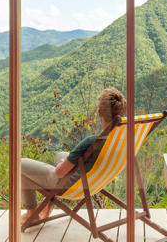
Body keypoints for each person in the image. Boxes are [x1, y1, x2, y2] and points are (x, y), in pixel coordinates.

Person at [20, 87, 126, 228]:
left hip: (72, 186)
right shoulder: (122, 140)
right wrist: (65, 162)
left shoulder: (91, 142)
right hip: (94, 182)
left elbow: (59, 173)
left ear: (99, 113)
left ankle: (31, 212)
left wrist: (62, 166)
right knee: (60, 155)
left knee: (20, 164)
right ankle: (49, 204)